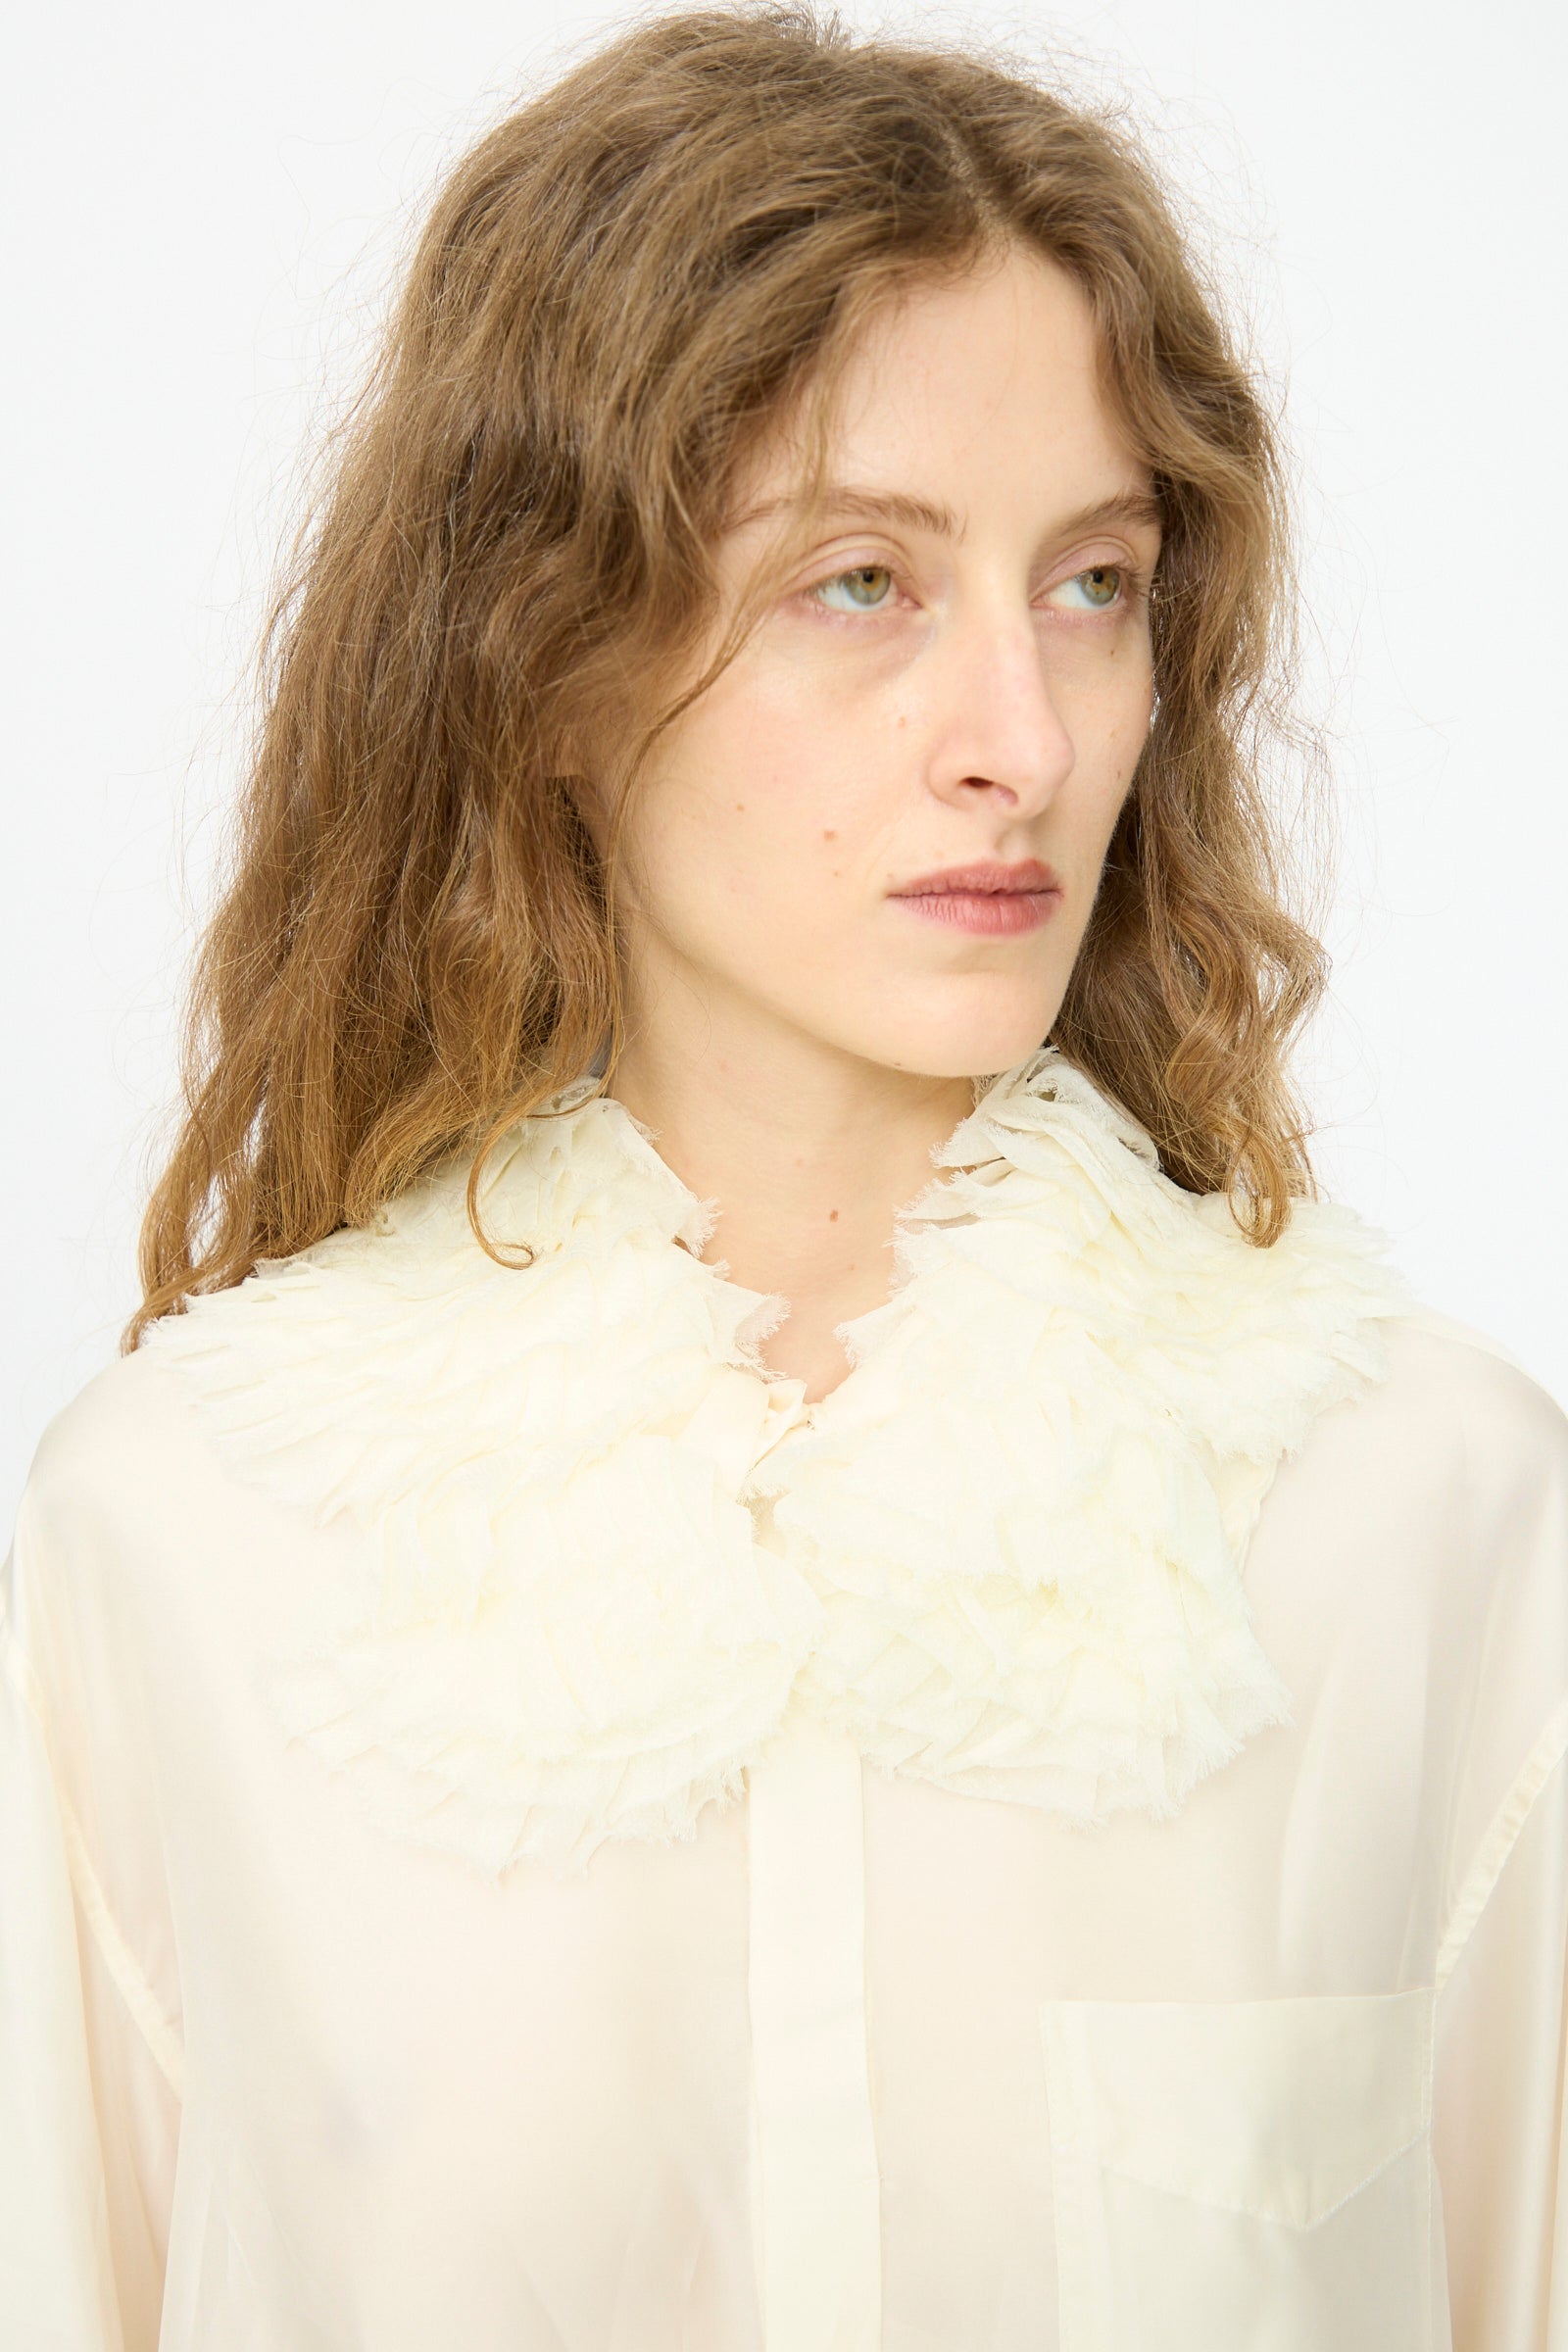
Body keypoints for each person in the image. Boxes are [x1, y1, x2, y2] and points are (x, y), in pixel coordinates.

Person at [3, 3, 1564, 2344]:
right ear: (542, 651)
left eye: (1091, 583)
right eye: (860, 582)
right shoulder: (184, 1548)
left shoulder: (1424, 1523)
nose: (1019, 740)